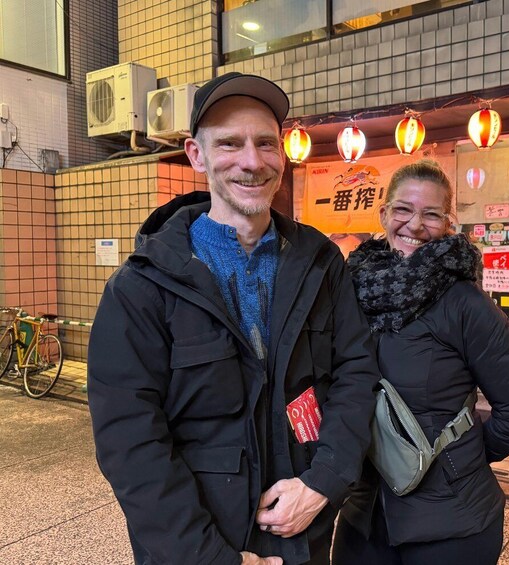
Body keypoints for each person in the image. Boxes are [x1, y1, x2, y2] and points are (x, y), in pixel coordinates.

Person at [87, 72, 380, 565]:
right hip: (197, 544)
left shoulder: (320, 261)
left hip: (300, 532)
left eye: (266, 143)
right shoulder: (142, 286)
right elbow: (131, 442)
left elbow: (356, 373)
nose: (252, 161)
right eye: (230, 143)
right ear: (195, 155)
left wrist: (322, 483)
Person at [331, 160, 509, 565]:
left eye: (431, 214)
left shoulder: (465, 304)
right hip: (362, 513)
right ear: (384, 215)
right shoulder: (351, 289)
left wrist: (455, 461)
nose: (414, 225)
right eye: (403, 210)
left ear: (448, 223)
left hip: (450, 523)